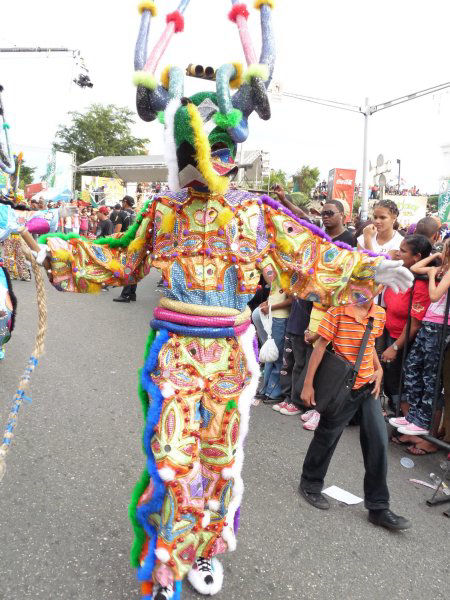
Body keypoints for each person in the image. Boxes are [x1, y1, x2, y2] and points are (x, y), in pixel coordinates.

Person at [36, 4, 412, 596]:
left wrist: (370, 268)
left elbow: (307, 260)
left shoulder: (257, 212)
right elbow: (118, 260)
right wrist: (50, 252)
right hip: (175, 354)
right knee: (171, 457)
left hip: (231, 357)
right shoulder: (163, 210)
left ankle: (204, 548)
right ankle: (167, 556)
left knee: (218, 460)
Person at [299, 297, 411, 531]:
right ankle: (310, 484)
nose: (366, 289)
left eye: (373, 283)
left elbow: (368, 346)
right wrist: (308, 384)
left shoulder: (378, 314)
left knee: (379, 442)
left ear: (379, 287)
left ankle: (378, 507)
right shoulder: (338, 311)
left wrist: (378, 370)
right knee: (327, 436)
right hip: (342, 387)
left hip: (368, 388)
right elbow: (320, 347)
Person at [390, 239, 450, 439]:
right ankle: (413, 416)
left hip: (441, 326)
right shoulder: (442, 268)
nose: (443, 251)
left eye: (445, 249)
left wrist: (432, 275)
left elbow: (434, 295)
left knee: (429, 376)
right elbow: (416, 267)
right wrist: (434, 258)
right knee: (413, 366)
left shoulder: (446, 272)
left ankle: (423, 420)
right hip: (429, 323)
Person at [381, 235, 432, 421]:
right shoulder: (401, 271)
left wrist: (395, 347)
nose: (398, 253)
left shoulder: (421, 282)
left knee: (404, 383)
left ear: (417, 257)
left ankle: (407, 420)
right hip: (390, 333)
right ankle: (398, 417)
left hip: (405, 341)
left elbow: (415, 323)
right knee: (392, 380)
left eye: (403, 251)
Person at [252, 280, 292, 404]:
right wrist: (267, 304)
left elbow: (290, 301)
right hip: (270, 317)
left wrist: (270, 307)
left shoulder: (288, 278)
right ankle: (266, 389)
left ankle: (274, 392)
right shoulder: (277, 278)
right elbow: (275, 298)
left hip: (280, 319)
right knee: (270, 353)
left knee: (277, 355)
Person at [276, 298, 312, 415]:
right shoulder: (298, 282)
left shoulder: (313, 284)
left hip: (303, 328)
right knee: (287, 364)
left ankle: (296, 401)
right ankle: (287, 397)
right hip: (292, 325)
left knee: (299, 366)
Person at [113, 196, 138, 303]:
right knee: (133, 268)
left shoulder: (122, 214)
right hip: (136, 244)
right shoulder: (136, 215)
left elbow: (117, 231)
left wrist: (113, 241)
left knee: (126, 268)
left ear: (125, 202)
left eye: (123, 202)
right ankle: (132, 294)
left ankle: (125, 294)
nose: (122, 204)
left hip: (125, 244)